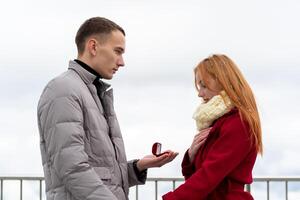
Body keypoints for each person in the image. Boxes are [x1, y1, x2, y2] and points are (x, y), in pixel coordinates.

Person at [37, 17, 178, 200]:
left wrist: (138, 167)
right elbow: (72, 168)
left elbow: (102, 175)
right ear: (93, 47)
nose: (122, 62)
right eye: (117, 51)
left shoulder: (94, 92)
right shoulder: (63, 90)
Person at [162, 54, 263, 200]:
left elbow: (209, 176)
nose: (199, 93)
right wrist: (191, 156)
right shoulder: (219, 121)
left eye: (204, 85)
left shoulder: (239, 123)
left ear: (223, 82)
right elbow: (199, 177)